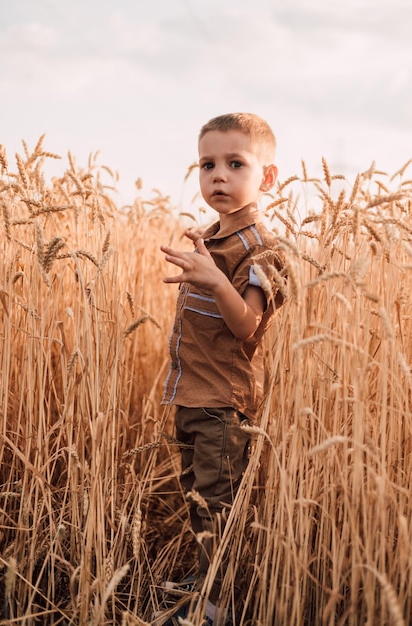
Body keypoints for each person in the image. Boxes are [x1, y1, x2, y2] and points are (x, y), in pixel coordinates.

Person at [159, 112, 286, 625]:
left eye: (236, 163)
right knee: (197, 498)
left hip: (223, 404)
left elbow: (248, 326)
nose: (218, 175)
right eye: (207, 164)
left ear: (268, 177)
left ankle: (217, 604)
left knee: (218, 506)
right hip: (190, 395)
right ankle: (204, 577)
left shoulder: (262, 247)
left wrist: (214, 281)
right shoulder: (210, 238)